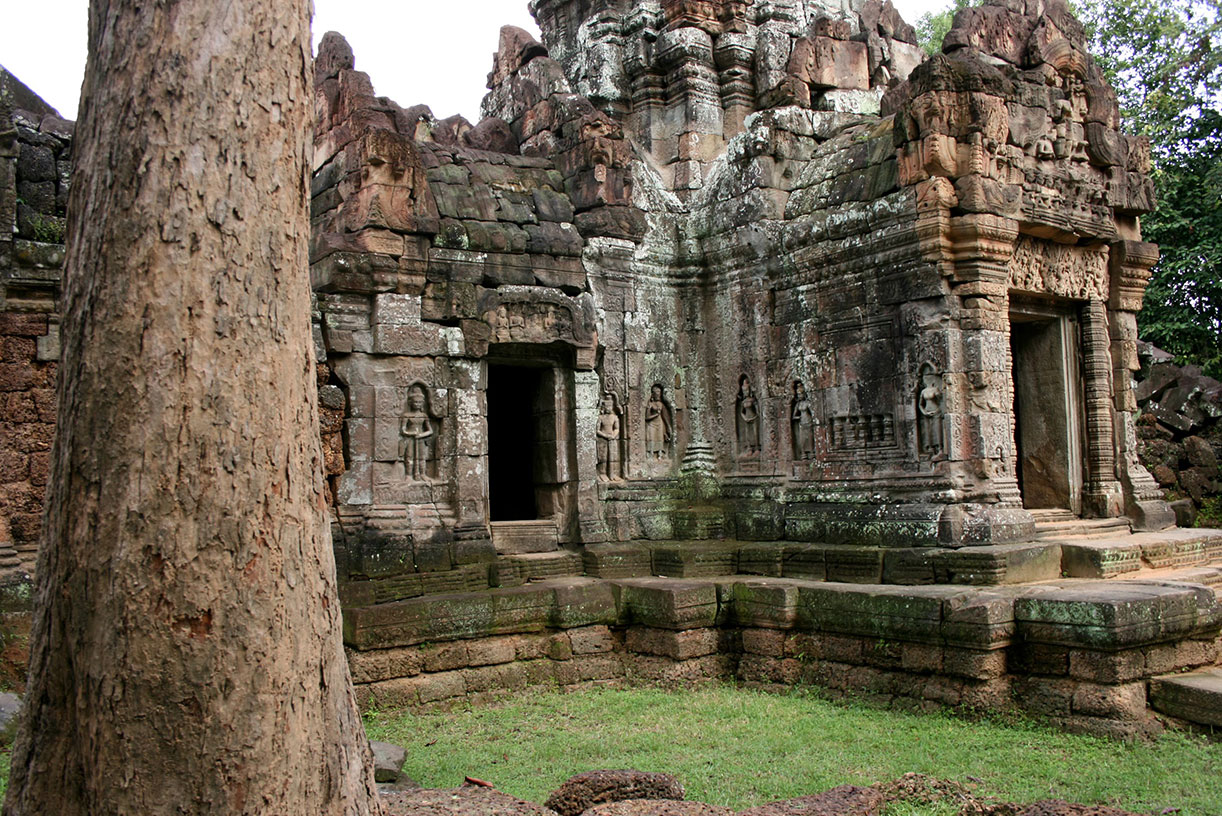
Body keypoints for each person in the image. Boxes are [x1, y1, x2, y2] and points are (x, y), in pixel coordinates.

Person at [401, 384, 434, 480]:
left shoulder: (424, 416)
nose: (417, 404)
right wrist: (411, 434)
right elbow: (403, 430)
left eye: (420, 402)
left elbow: (430, 431)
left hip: (421, 439)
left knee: (422, 457)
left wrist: (421, 435)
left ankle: (422, 474)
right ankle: (409, 475)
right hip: (410, 440)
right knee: (409, 457)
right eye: (415, 402)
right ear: (410, 403)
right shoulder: (407, 415)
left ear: (423, 403)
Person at [596, 394, 622, 481]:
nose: (608, 408)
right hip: (602, 439)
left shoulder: (614, 417)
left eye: (610, 406)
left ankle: (612, 474)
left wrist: (613, 435)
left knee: (613, 457)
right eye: (607, 406)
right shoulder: (601, 417)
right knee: (603, 457)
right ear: (603, 407)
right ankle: (602, 473)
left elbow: (617, 428)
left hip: (612, 439)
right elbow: (597, 430)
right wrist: (605, 435)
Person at [644, 384, 672, 460]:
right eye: (656, 393)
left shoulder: (661, 404)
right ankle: (650, 454)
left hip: (660, 423)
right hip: (651, 423)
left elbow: (665, 416)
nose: (657, 395)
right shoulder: (650, 404)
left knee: (660, 438)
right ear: (652, 394)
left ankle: (660, 454)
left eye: (659, 393)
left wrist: (668, 426)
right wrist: (655, 415)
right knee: (651, 438)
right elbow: (647, 417)